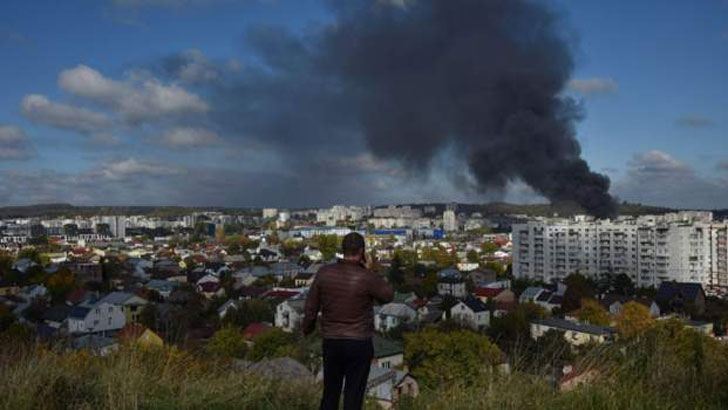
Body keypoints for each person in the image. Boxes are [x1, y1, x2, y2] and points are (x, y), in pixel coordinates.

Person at [303, 232, 394, 410]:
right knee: (354, 396)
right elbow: (388, 295)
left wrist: (307, 330)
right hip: (359, 343)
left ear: (342, 250)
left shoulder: (324, 273)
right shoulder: (366, 277)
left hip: (332, 341)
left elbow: (311, 308)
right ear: (362, 251)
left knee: (330, 394)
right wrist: (370, 270)